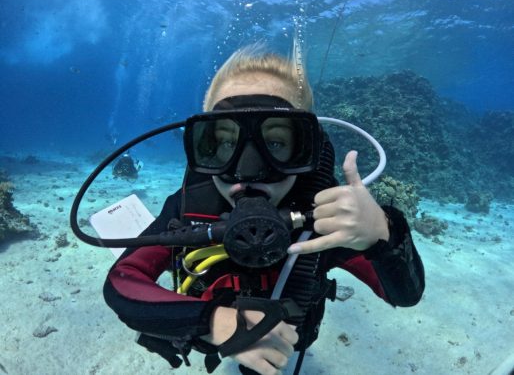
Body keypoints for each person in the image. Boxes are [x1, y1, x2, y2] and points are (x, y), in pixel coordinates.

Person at [103, 44, 425, 375]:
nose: (247, 172)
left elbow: (404, 295)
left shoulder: (323, 219)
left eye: (275, 143)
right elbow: (121, 281)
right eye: (226, 142)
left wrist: (383, 233)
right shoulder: (190, 206)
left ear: (304, 148)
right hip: (210, 336)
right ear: (206, 146)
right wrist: (211, 321)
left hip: (290, 344)